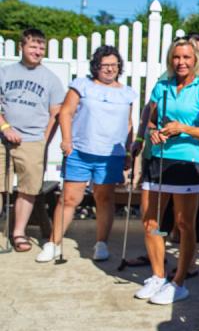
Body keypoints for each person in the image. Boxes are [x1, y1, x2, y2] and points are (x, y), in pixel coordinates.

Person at [134, 37, 199, 305]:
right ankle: (158, 276)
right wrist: (153, 134)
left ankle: (178, 282)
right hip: (158, 159)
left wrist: (183, 129)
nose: (181, 62)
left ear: (195, 60)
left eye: (186, 58)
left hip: (186, 161)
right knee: (151, 222)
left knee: (184, 224)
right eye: (176, 57)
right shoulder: (161, 86)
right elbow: (148, 123)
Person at [35, 45, 135, 262]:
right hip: (80, 151)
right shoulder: (82, 85)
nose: (109, 69)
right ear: (96, 66)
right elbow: (66, 112)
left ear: (119, 66)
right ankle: (53, 243)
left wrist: (128, 150)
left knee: (105, 198)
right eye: (104, 65)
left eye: (114, 65)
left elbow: (128, 124)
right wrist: (67, 140)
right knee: (69, 199)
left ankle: (101, 244)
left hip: (111, 155)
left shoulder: (127, 93)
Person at [0, 28, 64, 252]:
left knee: (28, 189)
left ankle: (18, 233)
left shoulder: (50, 79)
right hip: (3, 138)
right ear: (22, 47)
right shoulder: (5, 73)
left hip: (32, 141)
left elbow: (56, 113)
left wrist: (43, 140)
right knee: (0, 186)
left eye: (41, 47)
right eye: (33, 46)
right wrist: (5, 127)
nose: (37, 51)